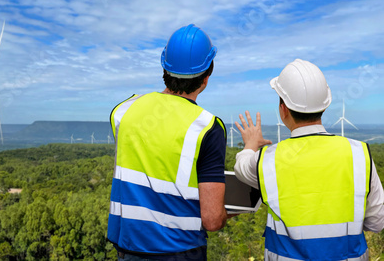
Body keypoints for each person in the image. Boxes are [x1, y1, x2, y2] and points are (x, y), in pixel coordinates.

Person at [234, 59, 384, 260]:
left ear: (283, 109)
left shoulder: (267, 159)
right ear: (325, 105)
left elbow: (241, 168)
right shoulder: (360, 153)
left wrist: (250, 145)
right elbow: (377, 222)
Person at [107, 24, 229, 260]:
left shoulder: (123, 111)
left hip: (128, 249)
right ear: (207, 75)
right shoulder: (208, 128)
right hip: (180, 252)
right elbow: (212, 220)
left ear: (164, 66)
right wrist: (227, 213)